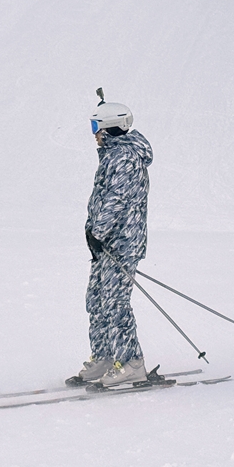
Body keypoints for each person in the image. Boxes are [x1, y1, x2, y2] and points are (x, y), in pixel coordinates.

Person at [72, 96, 154, 388]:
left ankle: (131, 363)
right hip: (107, 243)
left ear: (110, 127)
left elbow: (116, 200)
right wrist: (92, 232)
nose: (93, 132)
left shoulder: (125, 158)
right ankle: (106, 357)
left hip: (122, 242)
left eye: (96, 125)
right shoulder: (112, 155)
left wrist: (99, 231)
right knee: (96, 300)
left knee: (115, 302)